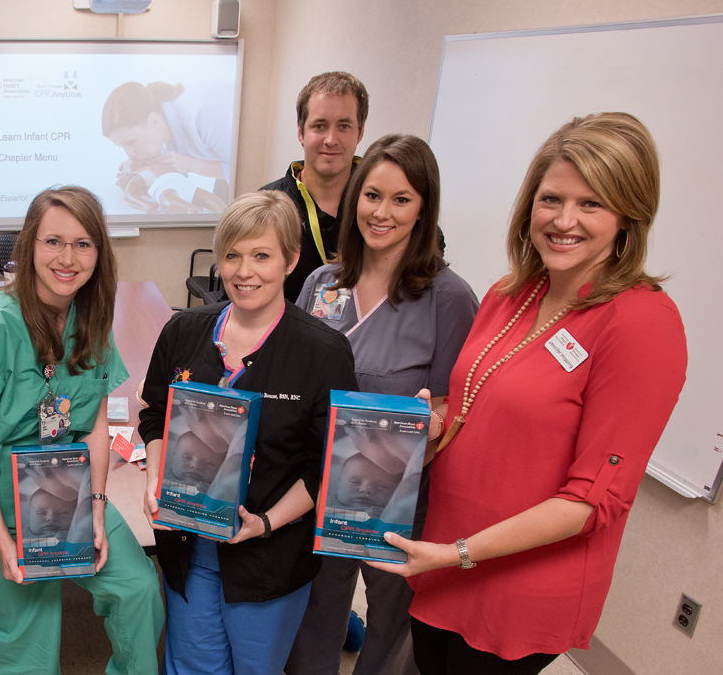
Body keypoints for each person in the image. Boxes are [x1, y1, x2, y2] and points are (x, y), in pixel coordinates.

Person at [368, 112, 687, 675]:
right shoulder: (511, 292)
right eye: (551, 199)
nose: (564, 221)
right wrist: (435, 420)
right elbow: (477, 404)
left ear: (629, 216)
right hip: (442, 554)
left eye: (592, 204)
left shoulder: (642, 323)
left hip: (516, 583)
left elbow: (593, 500)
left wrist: (459, 554)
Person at [0, 185, 164, 675]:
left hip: (65, 490)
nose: (68, 257)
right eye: (52, 241)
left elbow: (95, 425)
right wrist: (1, 539)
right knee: (32, 645)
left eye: (83, 243)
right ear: (28, 247)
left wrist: (98, 511)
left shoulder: (92, 315)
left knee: (138, 590)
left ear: (99, 252)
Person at [139, 190, 360, 675]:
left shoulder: (322, 351)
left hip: (270, 552)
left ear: (291, 260)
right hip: (189, 541)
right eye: (233, 255)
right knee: (193, 665)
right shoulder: (185, 332)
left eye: (262, 255)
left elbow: (328, 468)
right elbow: (154, 414)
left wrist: (266, 523)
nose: (244, 271)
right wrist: (157, 477)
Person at [285, 134, 478, 675]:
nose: (382, 212)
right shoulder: (325, 284)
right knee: (317, 610)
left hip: (400, 496)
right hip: (319, 487)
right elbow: (293, 380)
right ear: (354, 200)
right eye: (372, 195)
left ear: (423, 208)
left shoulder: (449, 298)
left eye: (401, 199)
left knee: (393, 619)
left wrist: (426, 423)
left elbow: (451, 414)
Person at [260, 71, 368, 302]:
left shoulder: (381, 207)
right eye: (319, 126)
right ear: (301, 132)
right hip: (287, 336)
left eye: (344, 126)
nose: (331, 139)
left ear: (360, 132)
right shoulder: (267, 205)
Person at [102, 80, 236, 212]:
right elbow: (174, 181)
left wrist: (191, 165)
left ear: (153, 121)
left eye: (130, 142)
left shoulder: (203, 114)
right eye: (122, 146)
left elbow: (245, 170)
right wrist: (137, 177)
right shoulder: (161, 138)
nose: (130, 154)